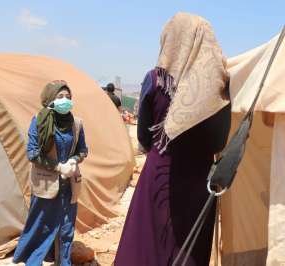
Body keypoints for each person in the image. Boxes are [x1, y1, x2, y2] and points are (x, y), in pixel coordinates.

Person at [114, 13, 231, 266]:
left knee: (147, 247)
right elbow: (219, 142)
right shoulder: (219, 85)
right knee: (189, 251)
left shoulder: (154, 80)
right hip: (198, 183)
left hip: (159, 178)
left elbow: (145, 135)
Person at [13, 80, 88, 266]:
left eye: (68, 97)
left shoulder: (76, 124)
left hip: (69, 184)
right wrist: (57, 166)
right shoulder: (39, 122)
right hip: (46, 183)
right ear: (49, 100)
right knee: (41, 225)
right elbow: (32, 153)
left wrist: (73, 160)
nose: (65, 100)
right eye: (60, 97)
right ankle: (32, 260)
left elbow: (83, 150)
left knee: (66, 227)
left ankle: (64, 262)